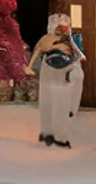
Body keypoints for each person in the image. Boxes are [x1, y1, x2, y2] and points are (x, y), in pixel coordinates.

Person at [29, 12, 85, 148]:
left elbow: (78, 73)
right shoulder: (53, 42)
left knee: (57, 105)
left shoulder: (70, 43)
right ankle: (52, 134)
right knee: (52, 105)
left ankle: (53, 134)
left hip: (60, 75)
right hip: (55, 75)